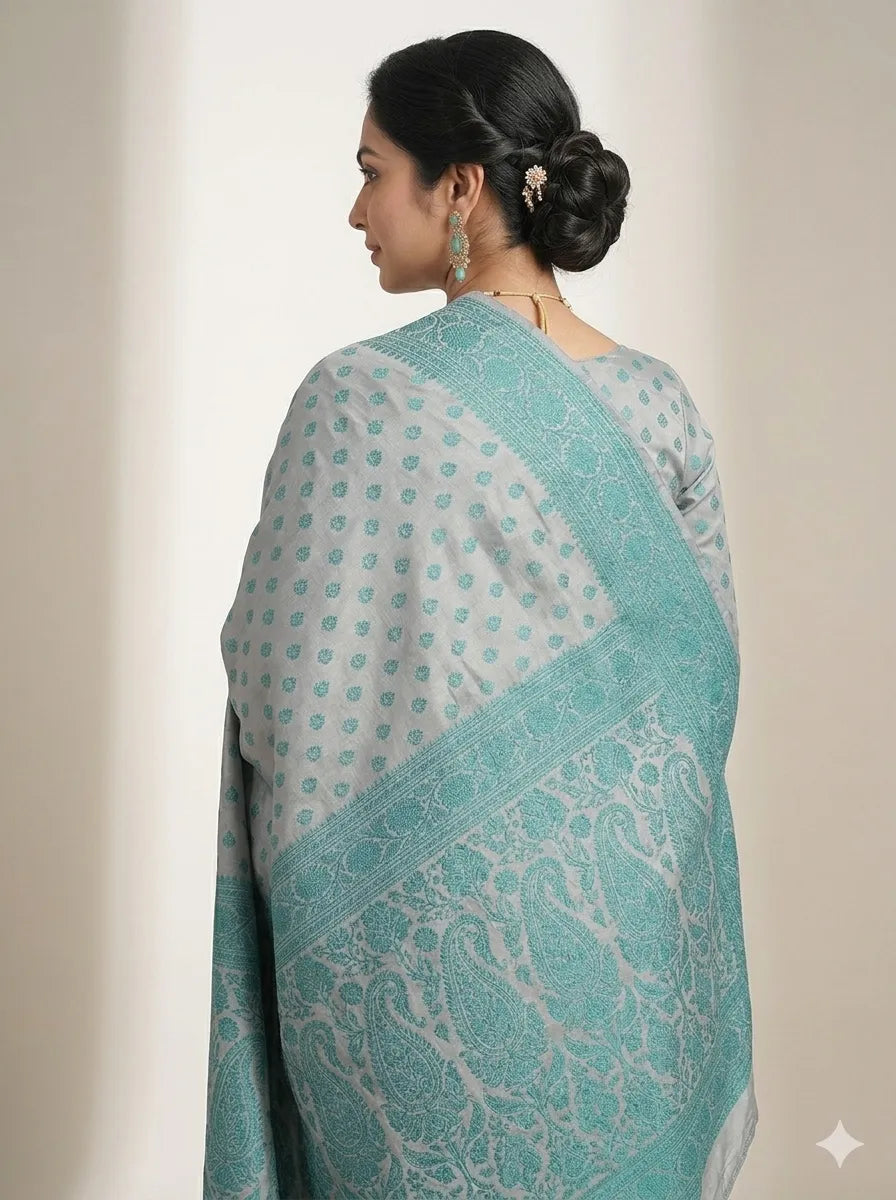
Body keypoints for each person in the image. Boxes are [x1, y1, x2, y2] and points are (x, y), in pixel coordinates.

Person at [202, 28, 758, 1200]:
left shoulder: (357, 398)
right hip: (626, 969)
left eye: (369, 169)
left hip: (421, 984)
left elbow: (280, 686)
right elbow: (699, 703)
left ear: (456, 186)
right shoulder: (659, 405)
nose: (356, 210)